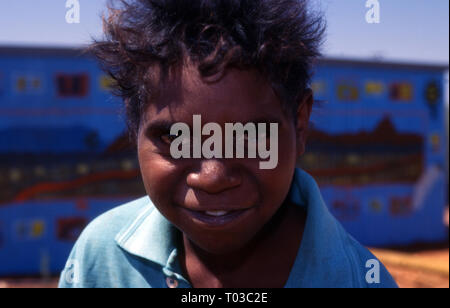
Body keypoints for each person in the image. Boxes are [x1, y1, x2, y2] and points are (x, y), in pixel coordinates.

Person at [59, 0, 398, 288]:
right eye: (177, 138)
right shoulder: (99, 260)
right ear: (134, 131)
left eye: (249, 138)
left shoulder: (359, 279)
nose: (212, 176)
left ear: (300, 124)